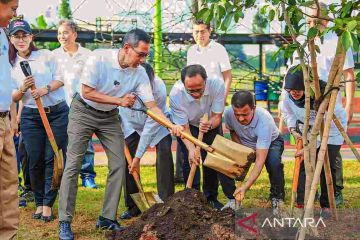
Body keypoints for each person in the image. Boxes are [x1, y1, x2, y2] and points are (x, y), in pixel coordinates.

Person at [58, 29, 177, 240]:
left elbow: (152, 107)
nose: (142, 59)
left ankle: (107, 218)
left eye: (145, 55)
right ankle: (64, 221)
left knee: (118, 164)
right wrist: (120, 101)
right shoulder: (99, 58)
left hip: (109, 117)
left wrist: (171, 126)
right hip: (83, 110)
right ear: (127, 48)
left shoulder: (140, 73)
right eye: (140, 54)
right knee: (73, 164)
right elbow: (87, 92)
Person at [10, 19, 69, 223]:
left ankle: (48, 204)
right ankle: (38, 200)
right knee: (33, 160)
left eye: (24, 35)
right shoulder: (10, 64)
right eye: (16, 36)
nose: (21, 39)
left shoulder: (46, 55)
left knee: (51, 158)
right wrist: (23, 88)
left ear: (31, 37)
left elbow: (61, 78)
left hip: (57, 113)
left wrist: (45, 89)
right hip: (31, 115)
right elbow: (13, 97)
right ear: (11, 39)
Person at [281, 66, 347, 215]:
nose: (294, 92)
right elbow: (288, 113)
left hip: (330, 129)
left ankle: (327, 204)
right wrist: (292, 129)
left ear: (308, 85)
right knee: (305, 164)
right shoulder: (288, 97)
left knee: (325, 165)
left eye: (298, 89)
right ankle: (301, 203)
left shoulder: (324, 95)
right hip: (309, 130)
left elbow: (323, 122)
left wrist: (309, 146)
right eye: (291, 89)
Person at [170, 64, 236, 210]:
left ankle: (211, 197)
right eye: (191, 91)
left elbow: (217, 116)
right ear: (183, 85)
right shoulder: (176, 94)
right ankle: (192, 199)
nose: (195, 93)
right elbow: (184, 128)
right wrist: (192, 149)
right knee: (191, 159)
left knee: (212, 159)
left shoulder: (217, 85)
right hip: (188, 127)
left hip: (209, 122)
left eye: (199, 89)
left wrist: (210, 125)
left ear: (205, 81)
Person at [118, 63, 174, 219]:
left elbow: (151, 125)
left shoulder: (160, 89)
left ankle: (166, 203)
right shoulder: (124, 83)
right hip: (131, 124)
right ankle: (133, 206)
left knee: (164, 151)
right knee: (126, 160)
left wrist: (138, 157)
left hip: (157, 125)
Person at [52, 19, 98, 189]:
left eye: (65, 32)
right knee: (63, 142)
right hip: (61, 106)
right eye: (59, 33)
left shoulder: (87, 55)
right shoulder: (53, 56)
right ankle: (65, 175)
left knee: (85, 142)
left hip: (83, 104)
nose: (61, 36)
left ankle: (87, 176)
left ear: (74, 34)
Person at [228, 91, 285, 214]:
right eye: (237, 114)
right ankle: (232, 198)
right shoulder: (228, 113)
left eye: (245, 114)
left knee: (274, 163)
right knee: (225, 161)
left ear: (253, 108)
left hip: (271, 142)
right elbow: (232, 131)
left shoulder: (265, 121)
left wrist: (246, 187)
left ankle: (277, 197)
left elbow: (260, 160)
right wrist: (241, 151)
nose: (240, 118)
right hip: (245, 142)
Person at [0, 0, 19, 238]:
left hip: (4, 118)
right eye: (12, 8)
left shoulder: (4, 35)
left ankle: (8, 235)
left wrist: (12, 117)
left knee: (9, 183)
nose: (15, 13)